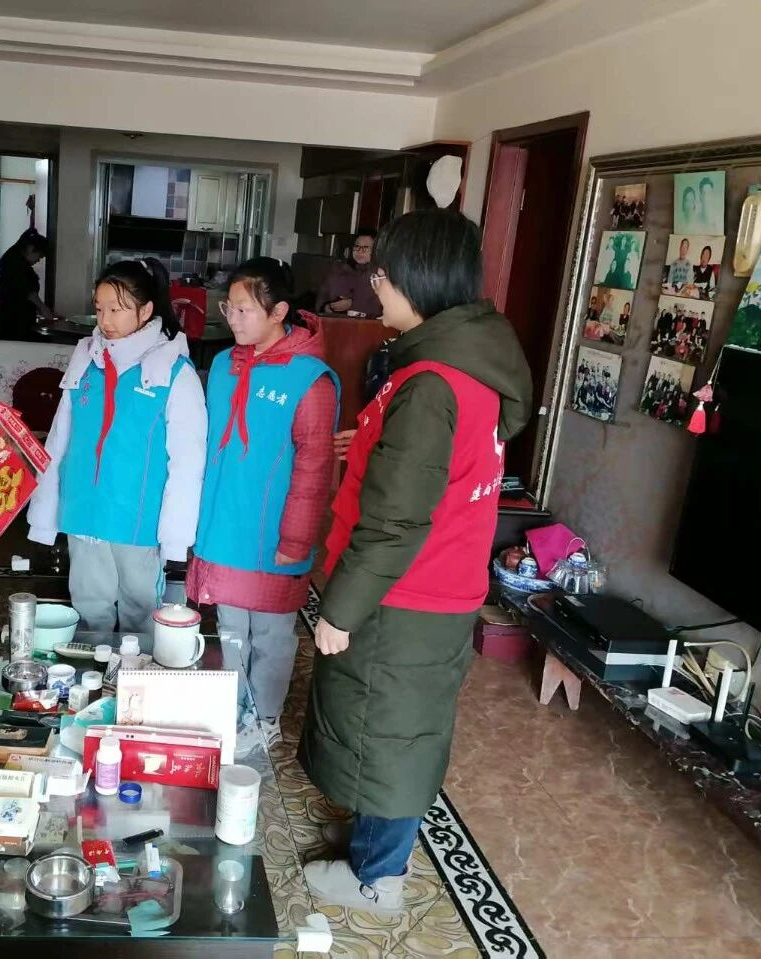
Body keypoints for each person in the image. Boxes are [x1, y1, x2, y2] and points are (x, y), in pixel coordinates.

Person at [300, 210, 533, 913]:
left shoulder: (432, 383)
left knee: (390, 732)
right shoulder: (470, 362)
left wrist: (339, 610)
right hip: (440, 584)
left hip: (407, 593)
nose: (375, 285)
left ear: (418, 280)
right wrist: (373, 442)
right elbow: (439, 468)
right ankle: (374, 844)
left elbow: (397, 520)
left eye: (384, 274)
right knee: (395, 724)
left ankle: (377, 879)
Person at [187, 258, 338, 748]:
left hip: (274, 532)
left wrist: (296, 540)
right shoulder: (223, 367)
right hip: (225, 525)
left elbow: (314, 469)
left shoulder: (310, 380)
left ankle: (266, 719)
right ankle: (234, 712)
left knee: (271, 634)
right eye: (228, 308)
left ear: (279, 312)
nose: (232, 319)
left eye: (244, 309)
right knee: (231, 629)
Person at [27, 258, 207, 632]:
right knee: (89, 605)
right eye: (99, 309)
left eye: (116, 309)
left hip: (137, 517)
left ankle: (134, 671)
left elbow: (187, 462)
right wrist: (46, 509)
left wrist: (176, 538)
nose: (105, 320)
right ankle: (95, 667)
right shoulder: (86, 360)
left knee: (141, 611)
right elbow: (59, 439)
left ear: (146, 310)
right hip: (84, 509)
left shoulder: (172, 371)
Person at [0, 228, 56, 340]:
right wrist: (43, 308)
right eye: (39, 256)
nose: (38, 260)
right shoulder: (14, 264)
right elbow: (28, 291)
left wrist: (42, 310)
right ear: (30, 248)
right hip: (11, 323)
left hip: (15, 320)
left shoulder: (14, 260)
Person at [315, 228, 382, 317]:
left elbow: (382, 309)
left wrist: (352, 304)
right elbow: (321, 301)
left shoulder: (380, 276)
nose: (359, 251)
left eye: (365, 247)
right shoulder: (338, 270)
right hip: (332, 321)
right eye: (357, 246)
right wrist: (327, 307)